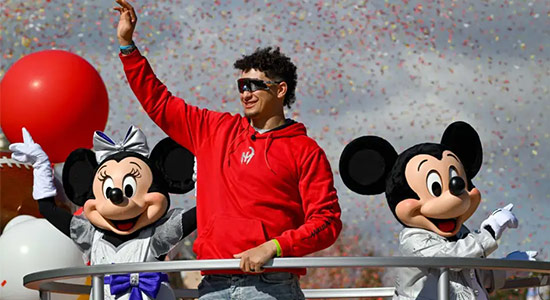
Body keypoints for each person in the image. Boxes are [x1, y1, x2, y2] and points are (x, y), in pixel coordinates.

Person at [113, 1, 342, 299]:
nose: (245, 93)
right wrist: (127, 46)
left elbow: (327, 222)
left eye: (253, 85)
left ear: (280, 90)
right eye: (241, 86)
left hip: (270, 286)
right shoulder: (214, 128)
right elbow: (159, 103)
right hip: (212, 283)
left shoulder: (305, 150)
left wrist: (273, 247)